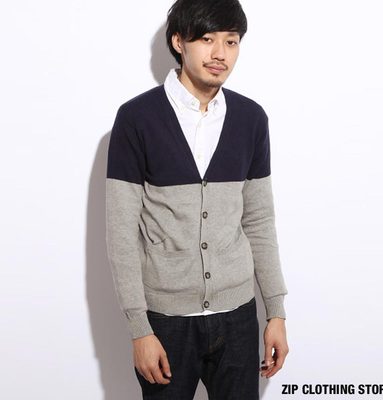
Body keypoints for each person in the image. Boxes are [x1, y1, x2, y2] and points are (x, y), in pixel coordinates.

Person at [105, 0, 289, 398]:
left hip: (238, 320)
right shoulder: (136, 119)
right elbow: (122, 232)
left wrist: (276, 311)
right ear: (178, 42)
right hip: (166, 324)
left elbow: (259, 221)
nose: (220, 53)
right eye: (207, 39)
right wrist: (139, 329)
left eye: (231, 41)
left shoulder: (251, 119)